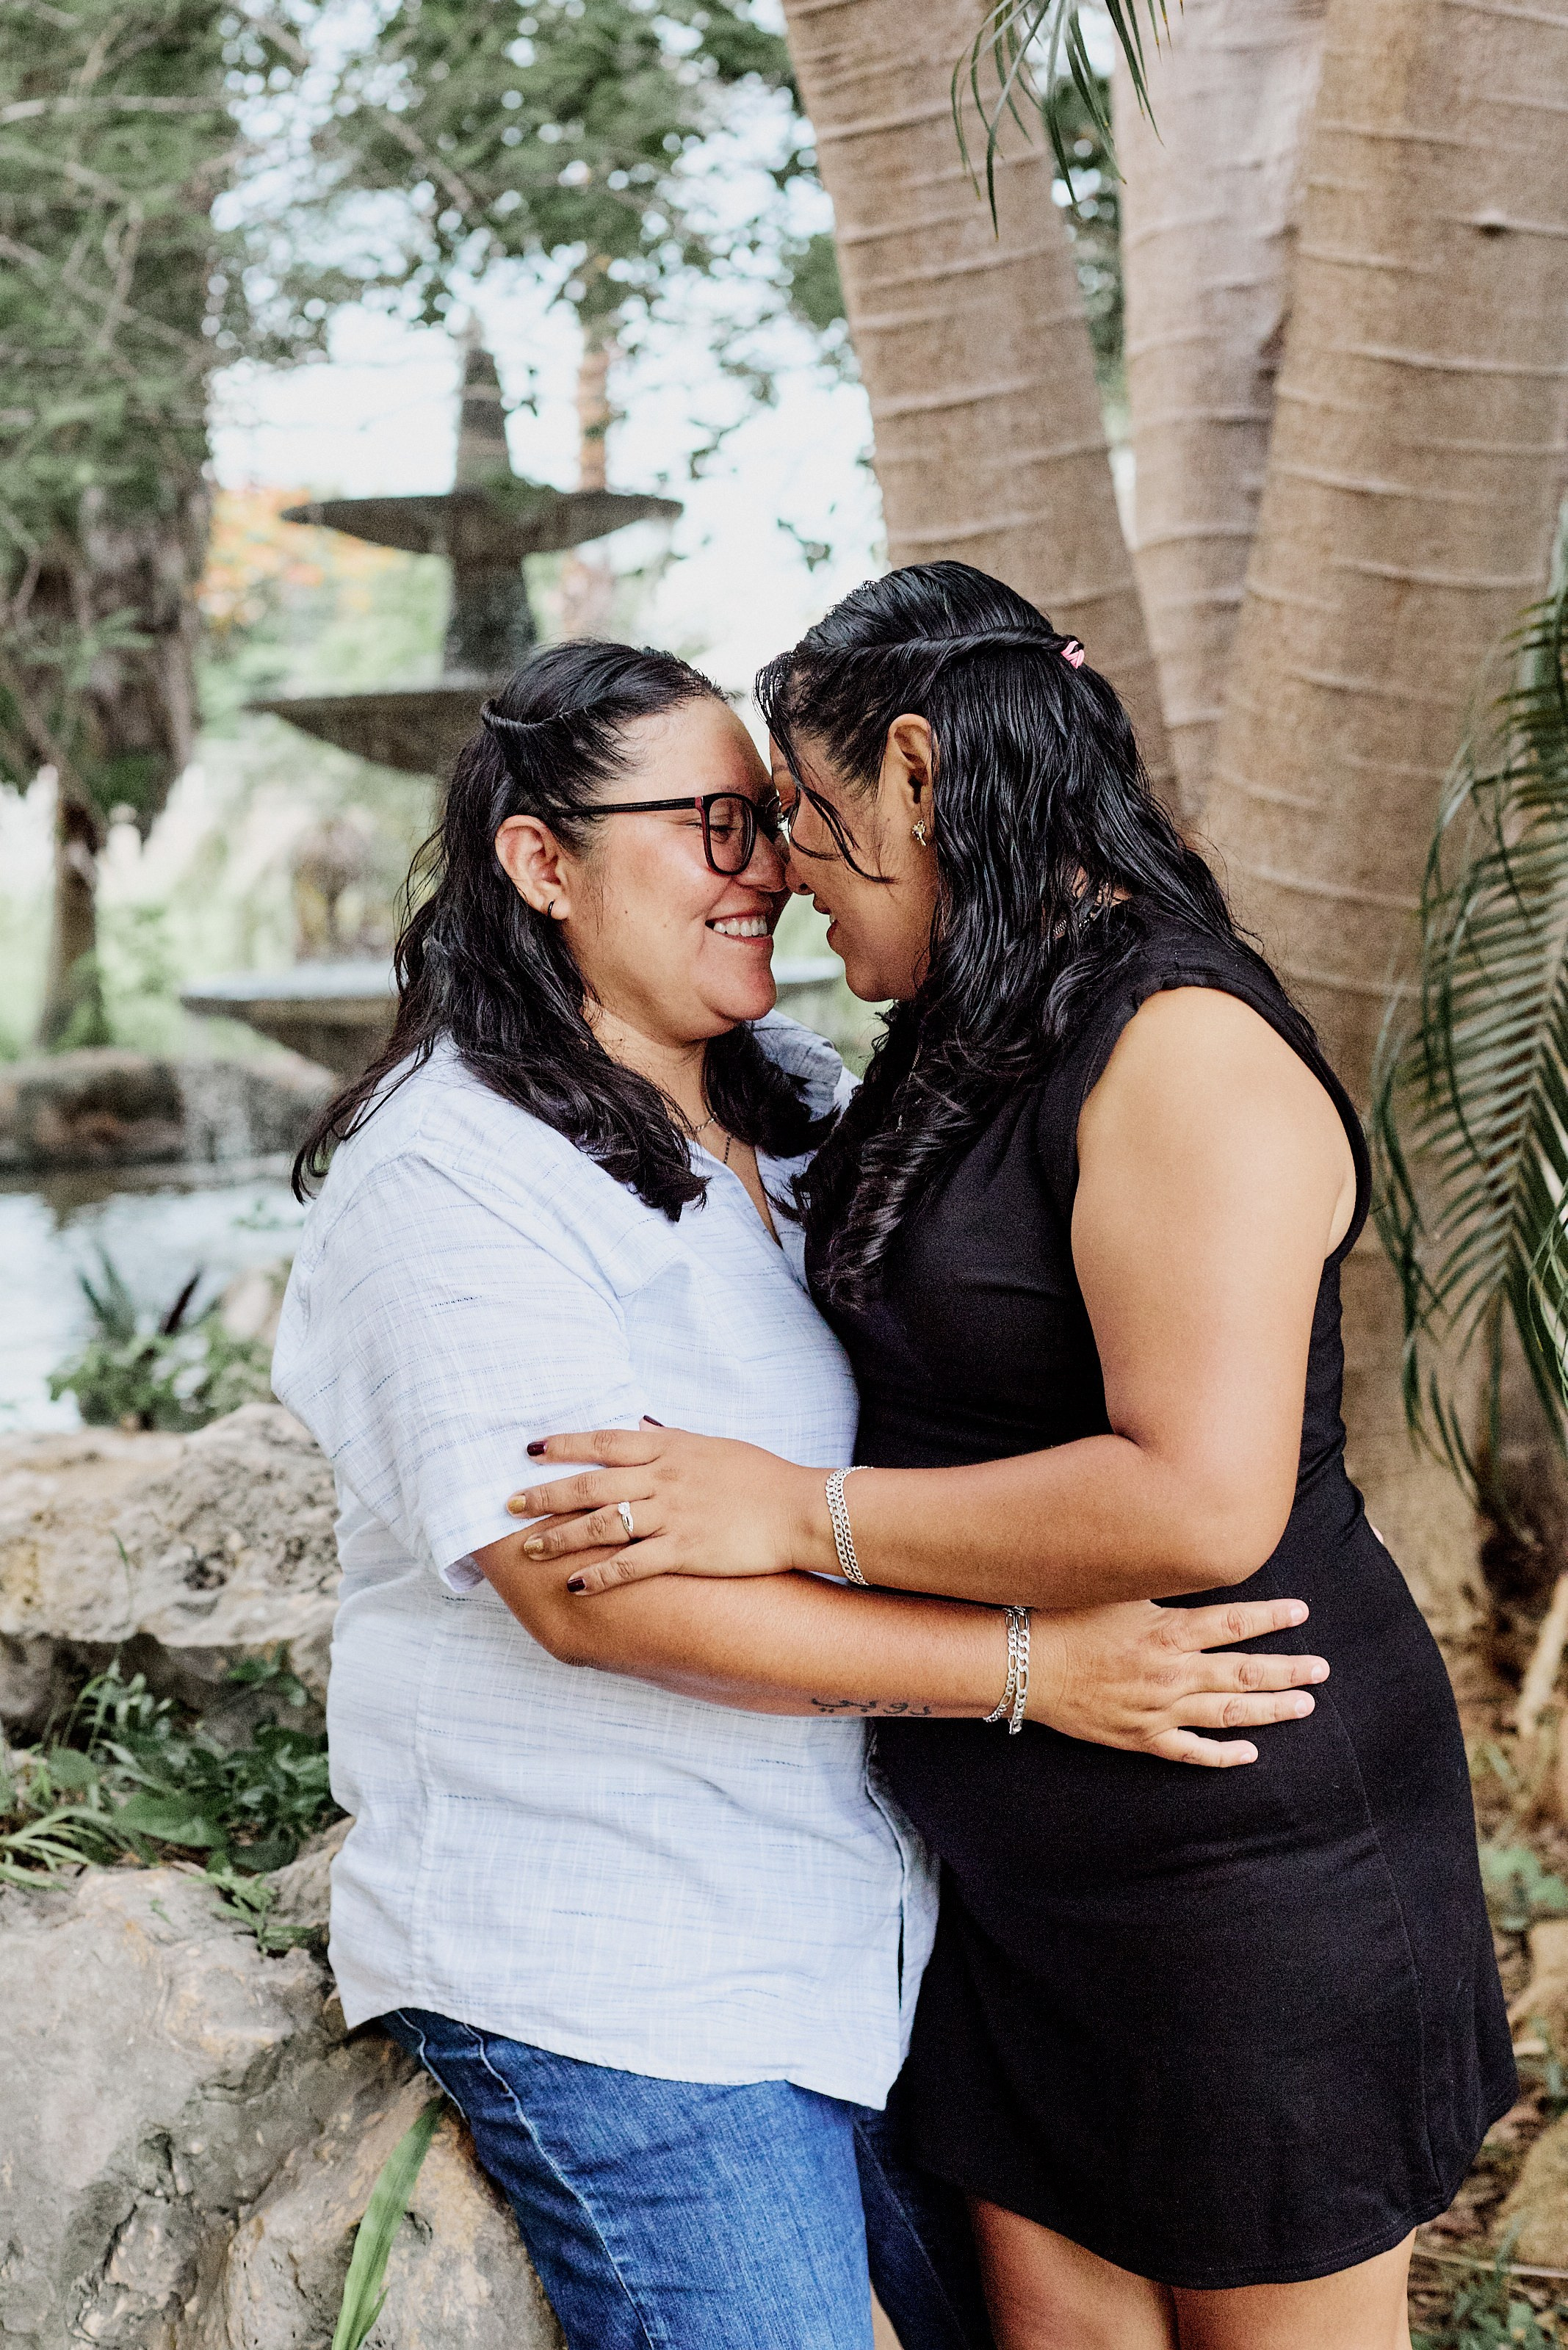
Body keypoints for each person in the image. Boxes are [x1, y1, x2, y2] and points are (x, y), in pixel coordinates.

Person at [271, 636, 1328, 2350]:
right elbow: (597, 1593)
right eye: (707, 824)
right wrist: (1033, 1669)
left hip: (882, 1941)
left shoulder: (816, 1108)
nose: (768, 866)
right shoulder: (450, 1175)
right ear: (542, 863)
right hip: (626, 1969)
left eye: (770, 816)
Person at [508, 568, 1517, 2350]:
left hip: (1239, 1867)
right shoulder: (965, 1027)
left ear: (917, 771)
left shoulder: (1179, 1046)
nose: (785, 871)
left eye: (804, 817)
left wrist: (793, 1514)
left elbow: (1203, 1498)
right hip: (1012, 1891)